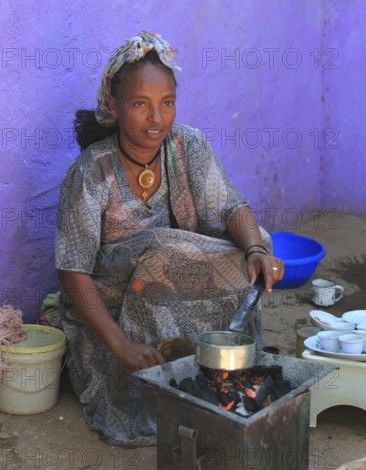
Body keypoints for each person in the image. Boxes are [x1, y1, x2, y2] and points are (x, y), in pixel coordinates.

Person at [55, 31, 284, 446]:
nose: (156, 118)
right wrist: (121, 345)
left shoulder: (188, 145)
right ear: (115, 106)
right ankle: (152, 386)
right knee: (164, 248)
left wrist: (254, 249)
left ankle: (222, 372)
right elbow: (72, 272)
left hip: (171, 286)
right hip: (112, 319)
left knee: (255, 247)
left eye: (167, 103)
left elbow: (230, 206)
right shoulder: (92, 172)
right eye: (140, 104)